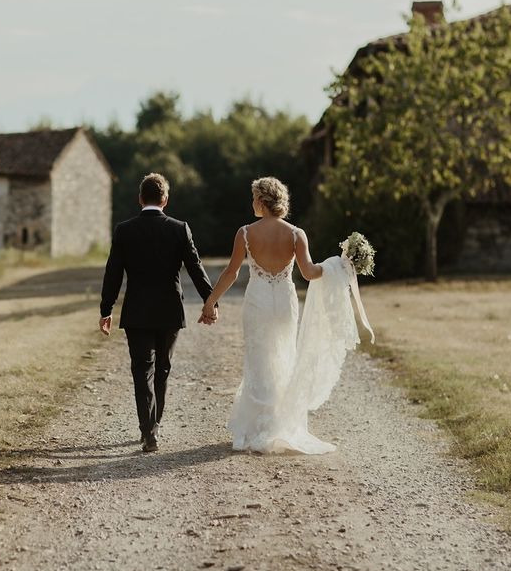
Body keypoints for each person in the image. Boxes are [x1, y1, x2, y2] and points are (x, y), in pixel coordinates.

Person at [201, 176, 356, 454]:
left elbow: (232, 272)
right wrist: (336, 266)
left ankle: (257, 427)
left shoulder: (245, 233)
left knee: (259, 360)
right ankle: (280, 425)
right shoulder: (296, 234)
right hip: (284, 303)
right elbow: (309, 273)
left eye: (253, 198)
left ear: (261, 201)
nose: (252, 203)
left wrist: (211, 301)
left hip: (258, 302)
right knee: (284, 356)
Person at [99, 173, 216, 453]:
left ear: (141, 199)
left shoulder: (124, 230)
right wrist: (210, 301)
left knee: (142, 371)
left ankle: (148, 432)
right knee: (162, 369)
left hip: (137, 312)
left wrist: (106, 309)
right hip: (169, 311)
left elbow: (113, 273)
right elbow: (195, 268)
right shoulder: (180, 228)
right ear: (165, 199)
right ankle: (154, 427)